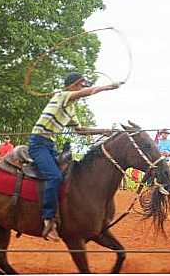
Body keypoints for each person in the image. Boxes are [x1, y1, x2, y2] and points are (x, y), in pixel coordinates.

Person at [29, 72, 121, 241]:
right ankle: (48, 220)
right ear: (72, 86)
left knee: (68, 175)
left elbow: (80, 130)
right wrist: (107, 87)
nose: (82, 89)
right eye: (80, 85)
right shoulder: (62, 96)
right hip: (38, 143)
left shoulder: (70, 108)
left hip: (49, 145)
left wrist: (104, 131)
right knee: (55, 177)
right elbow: (83, 93)